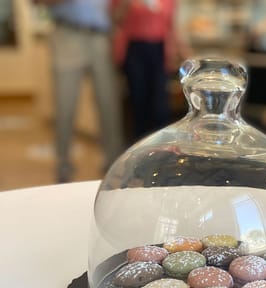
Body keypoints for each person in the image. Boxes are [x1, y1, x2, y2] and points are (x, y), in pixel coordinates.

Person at [34, 0, 124, 182]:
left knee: (109, 104)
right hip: (67, 34)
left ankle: (113, 163)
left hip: (101, 37)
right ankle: (63, 165)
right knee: (65, 105)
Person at [110, 0, 185, 141]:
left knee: (160, 104)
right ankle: (140, 148)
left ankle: (161, 146)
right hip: (135, 49)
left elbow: (172, 25)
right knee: (138, 100)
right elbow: (115, 19)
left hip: (159, 50)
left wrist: (184, 52)